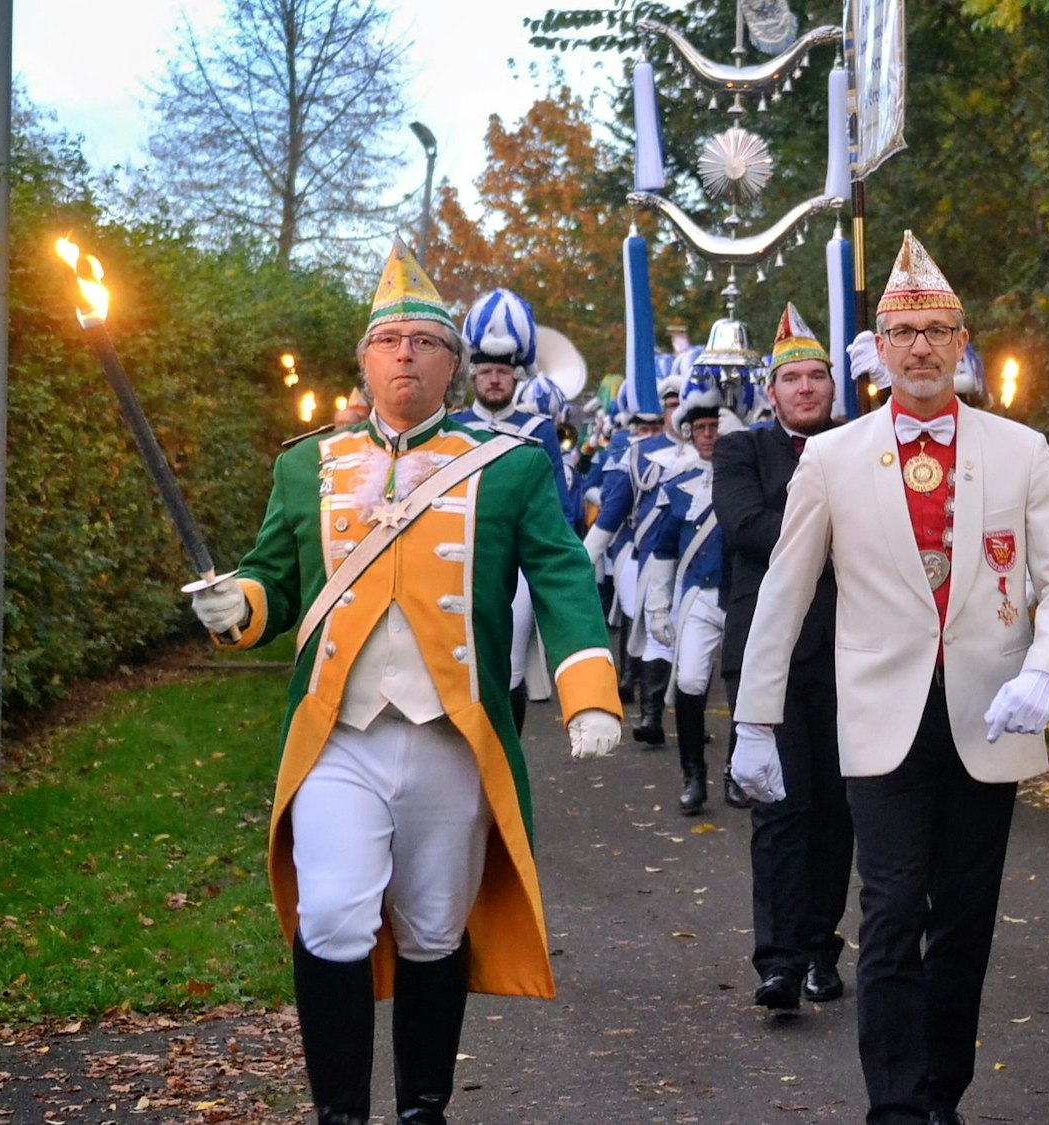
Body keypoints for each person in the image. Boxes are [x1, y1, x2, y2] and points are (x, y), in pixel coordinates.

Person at [185, 239, 622, 1125]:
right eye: (390, 343)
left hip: (451, 737)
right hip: (338, 735)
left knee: (432, 927)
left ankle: (424, 1109)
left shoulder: (509, 464)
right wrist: (241, 603)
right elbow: (276, 577)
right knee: (334, 914)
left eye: (426, 342)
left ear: (454, 364)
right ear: (364, 359)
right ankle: (340, 1116)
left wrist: (587, 691)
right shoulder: (305, 464)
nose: (406, 357)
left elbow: (563, 574)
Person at [732, 232, 1049, 1125]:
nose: (923, 348)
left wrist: (1047, 672)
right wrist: (754, 718)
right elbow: (785, 587)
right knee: (892, 910)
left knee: (966, 920)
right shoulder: (834, 457)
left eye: (938, 330)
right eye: (906, 333)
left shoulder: (1020, 450)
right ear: (881, 350)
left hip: (991, 714)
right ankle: (894, 1105)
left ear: (962, 340)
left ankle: (941, 1093)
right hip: (879, 716)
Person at [715, 304, 853, 1012]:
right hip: (765, 651)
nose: (805, 389)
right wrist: (832, 537)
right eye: (792, 378)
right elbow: (745, 527)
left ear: (833, 387)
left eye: (816, 377)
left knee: (836, 808)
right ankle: (777, 960)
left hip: (845, 650)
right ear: (771, 393)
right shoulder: (742, 452)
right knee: (778, 806)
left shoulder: (859, 446)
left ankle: (820, 948)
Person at [453, 288, 572, 733]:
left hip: (518, 563)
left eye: (503, 372)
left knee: (509, 666)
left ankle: (507, 755)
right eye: (486, 372)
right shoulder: (455, 429)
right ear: (473, 377)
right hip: (461, 555)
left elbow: (559, 504)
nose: (495, 380)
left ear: (516, 376)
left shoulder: (538, 429)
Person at [638, 381, 733, 814]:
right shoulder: (676, 485)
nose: (709, 434)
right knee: (691, 682)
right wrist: (658, 607)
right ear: (690, 434)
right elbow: (663, 550)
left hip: (742, 599)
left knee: (746, 690)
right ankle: (694, 776)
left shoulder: (744, 477)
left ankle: (737, 773)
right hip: (697, 597)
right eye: (702, 428)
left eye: (715, 426)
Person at [582, 373, 684, 744]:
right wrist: (580, 564)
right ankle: (652, 714)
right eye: (669, 407)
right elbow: (611, 511)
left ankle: (687, 720)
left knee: (691, 658)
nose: (674, 414)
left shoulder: (712, 450)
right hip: (642, 555)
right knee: (655, 631)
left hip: (696, 567)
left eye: (678, 405)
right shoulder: (636, 452)